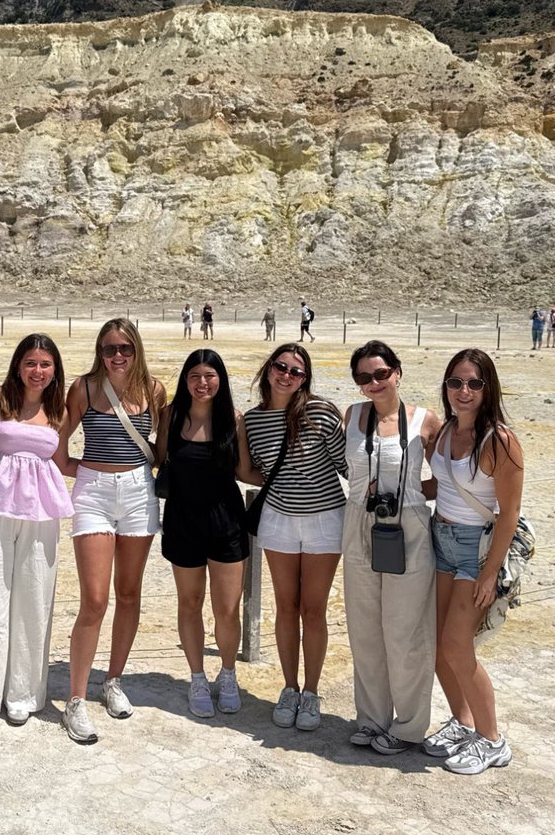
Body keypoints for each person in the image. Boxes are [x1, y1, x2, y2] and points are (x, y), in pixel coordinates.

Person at [55, 318, 166, 743]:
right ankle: (76, 699)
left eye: (124, 348)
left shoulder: (153, 390)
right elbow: (60, 445)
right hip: (95, 494)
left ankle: (113, 680)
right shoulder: (84, 388)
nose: (117, 356)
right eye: (108, 349)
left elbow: (161, 447)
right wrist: (84, 474)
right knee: (95, 600)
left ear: (136, 349)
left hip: (139, 492)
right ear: (99, 351)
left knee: (130, 593)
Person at [0, 334, 74, 728]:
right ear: (17, 364)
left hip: (41, 514)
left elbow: (62, 461)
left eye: (46, 364)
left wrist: (118, 470)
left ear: (55, 369)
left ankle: (23, 694)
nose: (38, 371)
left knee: (33, 600)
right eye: (31, 362)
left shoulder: (59, 408)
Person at [427, 348, 525, 774]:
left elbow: (510, 513)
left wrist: (490, 573)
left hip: (476, 548)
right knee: (435, 645)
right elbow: (442, 487)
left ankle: (492, 740)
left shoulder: (499, 441)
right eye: (455, 382)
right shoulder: (446, 430)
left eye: (474, 384)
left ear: (488, 389)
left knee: (457, 646)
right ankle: (463, 722)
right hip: (441, 540)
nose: (463, 391)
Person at [341, 341, 442, 755]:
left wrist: (410, 495)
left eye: (381, 374)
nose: (373, 383)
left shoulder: (424, 420)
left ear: (397, 372)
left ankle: (410, 726)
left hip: (408, 527)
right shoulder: (353, 415)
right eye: (364, 377)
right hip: (359, 523)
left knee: (405, 630)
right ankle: (370, 718)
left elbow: (445, 478)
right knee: (364, 628)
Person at [244, 343, 346, 730]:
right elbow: (252, 469)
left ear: (305, 379)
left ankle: (312, 692)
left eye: (296, 371)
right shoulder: (253, 421)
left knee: (313, 609)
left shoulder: (319, 411)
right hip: (280, 520)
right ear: (269, 368)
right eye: (281, 366)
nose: (287, 375)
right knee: (286, 606)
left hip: (324, 519)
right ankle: (289, 687)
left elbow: (346, 464)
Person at [156, 349, 261, 718]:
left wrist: (290, 479)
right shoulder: (170, 416)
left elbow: (245, 472)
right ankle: (197, 677)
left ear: (221, 380)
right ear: (185, 380)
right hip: (182, 521)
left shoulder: (234, 420)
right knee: (189, 603)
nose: (203, 383)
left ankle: (228, 674)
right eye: (195, 376)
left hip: (226, 522)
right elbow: (156, 459)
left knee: (227, 609)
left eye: (210, 376)